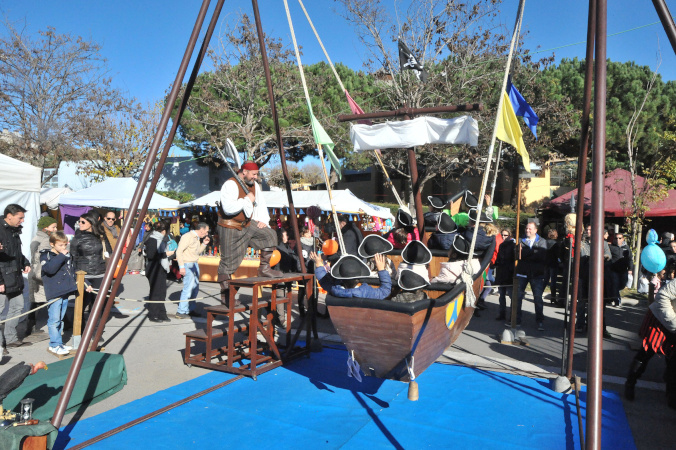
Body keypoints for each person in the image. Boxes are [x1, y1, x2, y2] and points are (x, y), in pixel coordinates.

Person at [216, 161, 281, 306]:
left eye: (256, 174)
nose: (256, 177)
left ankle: (264, 269)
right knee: (228, 263)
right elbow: (228, 209)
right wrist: (246, 199)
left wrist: (263, 220)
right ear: (244, 172)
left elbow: (260, 204)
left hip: (247, 224)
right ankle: (227, 296)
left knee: (269, 235)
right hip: (229, 226)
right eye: (254, 174)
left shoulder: (255, 186)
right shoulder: (230, 184)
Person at [624, 260, 676, 409]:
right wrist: (673, 322)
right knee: (647, 352)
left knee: (673, 358)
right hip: (661, 318)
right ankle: (630, 382)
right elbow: (662, 297)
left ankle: (671, 393)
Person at [41, 231, 93, 356]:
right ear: (52, 244)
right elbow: (49, 269)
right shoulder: (46, 255)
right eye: (60, 245)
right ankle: (54, 344)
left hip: (65, 290)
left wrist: (86, 283)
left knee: (60, 319)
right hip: (54, 292)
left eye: (65, 245)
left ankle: (58, 342)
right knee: (54, 320)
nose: (63, 248)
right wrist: (61, 256)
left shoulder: (66, 255)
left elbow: (73, 271)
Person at [0, 204, 32, 353]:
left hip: (14, 276)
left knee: (18, 306)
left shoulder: (14, 231)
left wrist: (24, 262)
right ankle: (0, 346)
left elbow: (16, 253)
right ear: (9, 216)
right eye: (20, 218)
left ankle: (11, 339)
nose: (22, 221)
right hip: (2, 278)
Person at [70, 210, 111, 319]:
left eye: (83, 222)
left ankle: (96, 330)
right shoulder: (77, 238)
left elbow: (109, 251)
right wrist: (75, 275)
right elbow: (72, 258)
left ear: (91, 223)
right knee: (81, 305)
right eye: (79, 222)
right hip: (84, 274)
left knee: (98, 305)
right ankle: (81, 332)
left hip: (100, 273)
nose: (79, 224)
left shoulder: (101, 236)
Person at [311, 251, 391, 299]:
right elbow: (385, 291)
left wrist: (318, 263)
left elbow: (323, 280)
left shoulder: (334, 290)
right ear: (358, 278)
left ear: (340, 278)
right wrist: (381, 269)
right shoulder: (367, 292)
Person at [27, 216, 58, 336]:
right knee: (42, 301)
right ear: (46, 227)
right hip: (40, 274)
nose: (55, 229)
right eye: (53, 227)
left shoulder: (39, 237)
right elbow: (41, 259)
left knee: (36, 301)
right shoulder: (44, 240)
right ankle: (31, 327)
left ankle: (31, 327)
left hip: (36, 272)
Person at [515, 222, 548, 330]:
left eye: (530, 228)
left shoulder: (542, 241)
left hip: (536, 274)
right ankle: (516, 320)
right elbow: (516, 255)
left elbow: (541, 256)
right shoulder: (520, 241)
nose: (527, 230)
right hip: (522, 273)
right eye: (526, 228)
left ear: (535, 230)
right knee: (518, 297)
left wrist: (525, 254)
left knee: (538, 298)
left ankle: (540, 321)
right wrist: (531, 253)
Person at [175, 222, 210, 319]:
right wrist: (181, 266)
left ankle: (190, 309)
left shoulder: (197, 238)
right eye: (206, 231)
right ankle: (181, 311)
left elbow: (197, 252)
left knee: (195, 288)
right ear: (201, 230)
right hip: (188, 264)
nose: (207, 233)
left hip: (194, 263)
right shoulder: (187, 236)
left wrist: (204, 244)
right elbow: (179, 251)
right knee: (188, 288)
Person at [144, 220, 174, 323]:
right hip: (153, 269)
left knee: (161, 292)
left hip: (161, 267)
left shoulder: (162, 239)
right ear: (164, 231)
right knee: (156, 292)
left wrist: (170, 254)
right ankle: (153, 314)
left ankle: (162, 313)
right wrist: (166, 254)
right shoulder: (153, 239)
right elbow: (151, 255)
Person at [494, 229, 515, 321]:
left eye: (505, 235)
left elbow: (514, 260)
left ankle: (512, 315)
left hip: (509, 273)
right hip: (501, 272)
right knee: (501, 295)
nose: (503, 237)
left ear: (510, 235)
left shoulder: (513, 245)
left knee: (511, 295)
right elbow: (499, 257)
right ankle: (502, 313)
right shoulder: (501, 245)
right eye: (502, 235)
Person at [609, 231, 634, 307]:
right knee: (615, 285)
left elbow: (630, 259)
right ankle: (617, 300)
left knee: (622, 285)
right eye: (616, 238)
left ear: (623, 239)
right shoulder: (611, 247)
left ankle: (613, 295)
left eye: (620, 238)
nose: (618, 240)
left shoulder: (626, 248)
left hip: (623, 270)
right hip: (614, 270)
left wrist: (630, 269)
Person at [544, 228, 561, 305]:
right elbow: (558, 255)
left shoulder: (545, 242)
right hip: (553, 263)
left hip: (546, 263)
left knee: (545, 280)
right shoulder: (556, 244)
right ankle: (553, 297)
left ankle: (538, 294)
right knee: (553, 281)